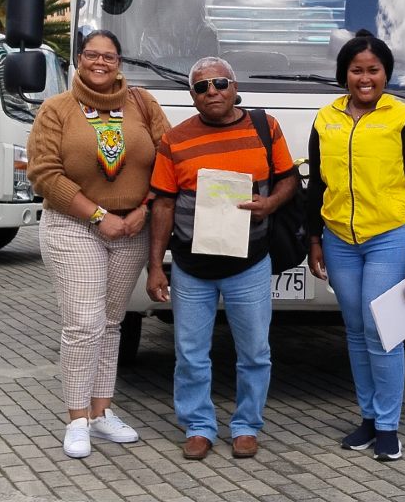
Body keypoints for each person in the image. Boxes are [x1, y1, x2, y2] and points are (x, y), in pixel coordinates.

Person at [27, 30, 170, 459]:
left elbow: (168, 159)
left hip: (132, 228)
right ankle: (76, 419)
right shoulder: (57, 110)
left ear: (119, 62)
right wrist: (97, 216)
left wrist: (145, 207)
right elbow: (45, 173)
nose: (100, 62)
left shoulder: (143, 104)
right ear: (79, 59)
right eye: (92, 54)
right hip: (74, 226)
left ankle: (101, 412)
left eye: (109, 56)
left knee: (110, 325)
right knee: (83, 325)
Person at [146, 57, 298, 461]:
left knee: (254, 353)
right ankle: (198, 426)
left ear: (234, 87)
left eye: (219, 83)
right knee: (191, 354)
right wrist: (155, 266)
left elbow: (289, 179)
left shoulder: (266, 128)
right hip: (191, 268)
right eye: (201, 87)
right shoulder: (174, 140)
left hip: (249, 263)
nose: (211, 91)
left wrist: (271, 204)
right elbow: (162, 204)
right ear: (192, 96)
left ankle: (247, 426)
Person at [306, 31, 405, 462]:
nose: (365, 78)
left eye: (373, 70)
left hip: (390, 236)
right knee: (357, 331)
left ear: (386, 74)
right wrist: (314, 239)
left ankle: (387, 426)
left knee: (383, 330)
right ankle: (366, 417)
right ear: (344, 74)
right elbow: (316, 185)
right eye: (356, 70)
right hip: (339, 238)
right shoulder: (326, 119)